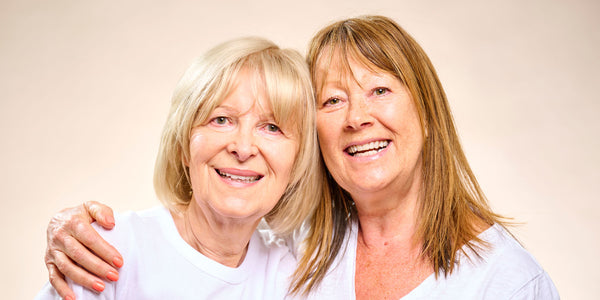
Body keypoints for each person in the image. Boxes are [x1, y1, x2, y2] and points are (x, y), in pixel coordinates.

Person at [42, 16, 559, 299]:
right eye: (333, 100)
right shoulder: (301, 250)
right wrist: (75, 230)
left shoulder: (510, 283)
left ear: (429, 111)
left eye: (379, 90)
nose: (357, 117)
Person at [36, 36, 323, 299]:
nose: (243, 147)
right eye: (221, 120)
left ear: (297, 161)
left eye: (271, 127)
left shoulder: (292, 279)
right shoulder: (108, 250)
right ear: (184, 145)